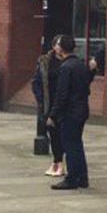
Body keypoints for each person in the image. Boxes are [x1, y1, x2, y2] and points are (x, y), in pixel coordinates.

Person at [48, 34, 97, 191]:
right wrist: (93, 71)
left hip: (70, 112)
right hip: (81, 110)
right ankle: (82, 177)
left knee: (70, 146)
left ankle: (72, 179)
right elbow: (86, 82)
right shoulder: (80, 65)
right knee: (77, 144)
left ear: (61, 49)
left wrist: (52, 115)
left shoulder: (65, 67)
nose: (55, 48)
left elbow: (61, 94)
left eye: (57, 45)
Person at [31, 44, 64, 176]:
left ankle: (59, 162)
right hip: (49, 104)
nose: (59, 47)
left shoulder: (69, 62)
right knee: (54, 133)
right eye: (58, 44)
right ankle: (57, 162)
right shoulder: (44, 61)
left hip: (64, 104)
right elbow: (36, 82)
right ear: (53, 46)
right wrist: (41, 101)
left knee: (63, 134)